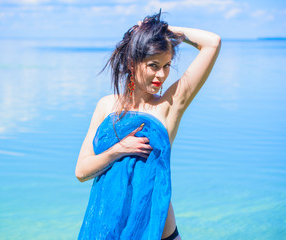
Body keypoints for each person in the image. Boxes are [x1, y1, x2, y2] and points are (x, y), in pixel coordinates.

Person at [75, 11, 221, 240]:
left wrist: (163, 30)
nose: (161, 75)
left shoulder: (169, 105)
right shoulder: (106, 106)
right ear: (132, 63)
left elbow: (212, 43)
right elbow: (81, 172)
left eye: (167, 65)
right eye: (154, 65)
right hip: (108, 231)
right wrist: (118, 150)